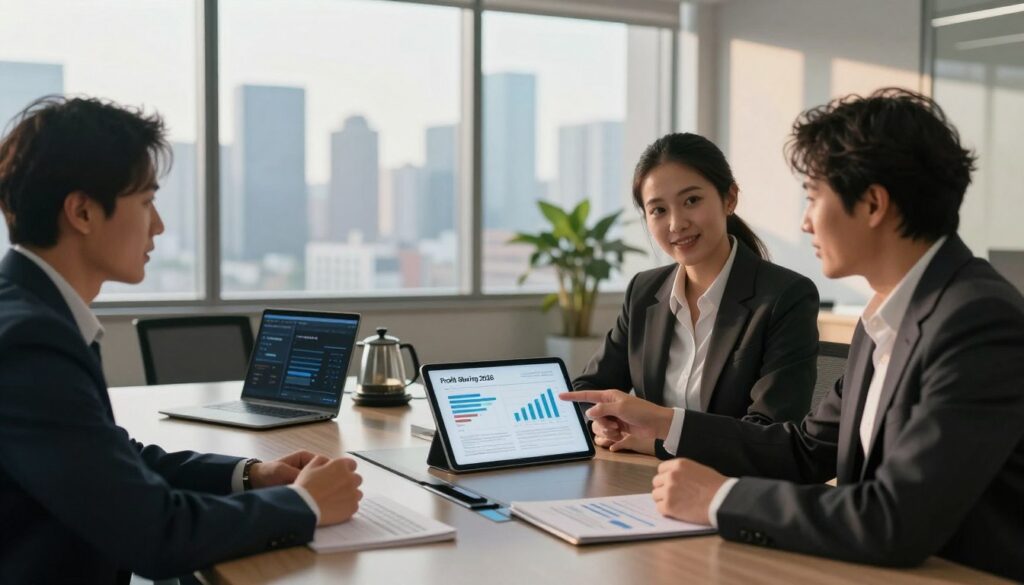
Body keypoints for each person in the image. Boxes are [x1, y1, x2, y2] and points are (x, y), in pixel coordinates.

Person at [562, 88, 1024, 581]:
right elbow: (803, 452)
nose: (804, 222)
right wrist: (665, 427)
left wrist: (719, 497)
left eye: (813, 197)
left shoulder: (978, 321)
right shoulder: (888, 316)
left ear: (872, 204)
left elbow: (895, 518)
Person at [0, 96, 363, 584]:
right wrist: (304, 504)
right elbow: (156, 534)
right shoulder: (30, 342)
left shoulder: (34, 310)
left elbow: (111, 459)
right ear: (83, 212)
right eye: (146, 202)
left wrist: (253, 476)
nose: (159, 225)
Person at [574, 133, 819, 456]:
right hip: (644, 481)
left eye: (691, 201)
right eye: (658, 210)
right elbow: (587, 390)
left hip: (733, 488)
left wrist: (660, 442)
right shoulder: (644, 292)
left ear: (729, 198)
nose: (676, 223)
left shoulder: (785, 297)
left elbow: (768, 432)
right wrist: (601, 421)